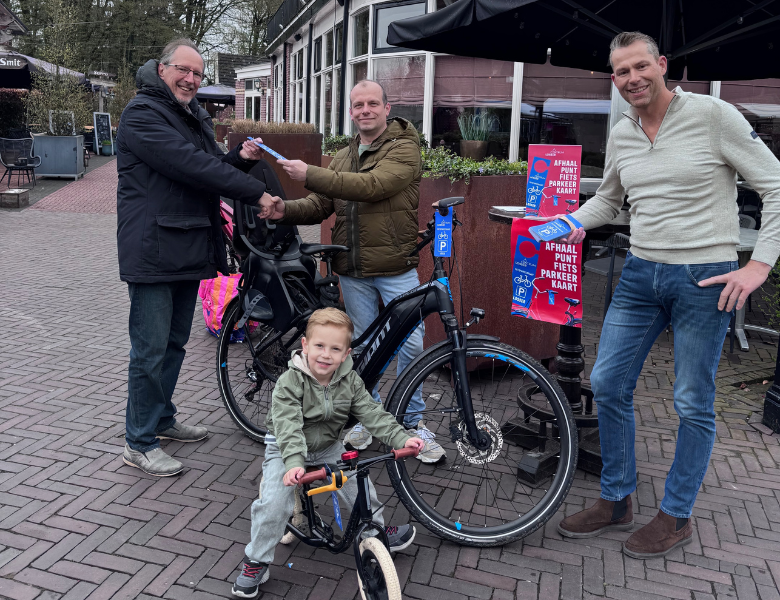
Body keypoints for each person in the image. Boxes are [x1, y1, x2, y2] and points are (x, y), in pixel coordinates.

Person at [554, 31, 780, 558]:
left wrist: (760, 266)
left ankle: (676, 514)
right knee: (608, 383)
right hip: (640, 274)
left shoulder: (713, 115)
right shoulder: (623, 130)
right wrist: (569, 223)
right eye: (621, 72)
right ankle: (617, 499)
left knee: (691, 401)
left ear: (661, 64)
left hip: (706, 279)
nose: (632, 78)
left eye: (640, 67)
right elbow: (609, 200)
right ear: (614, 78)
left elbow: (776, 184)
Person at [257, 79, 445, 463]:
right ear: (350, 112)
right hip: (353, 268)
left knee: (409, 343)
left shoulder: (405, 148)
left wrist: (309, 172)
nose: (365, 111)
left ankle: (412, 421)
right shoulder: (343, 156)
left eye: (372, 103)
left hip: (395, 266)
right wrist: (284, 209)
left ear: (387, 108)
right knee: (363, 348)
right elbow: (321, 204)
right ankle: (368, 417)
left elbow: (372, 186)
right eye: (357, 105)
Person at [116, 38, 275, 477]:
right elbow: (189, 166)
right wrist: (256, 192)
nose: (191, 79)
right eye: (183, 70)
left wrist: (239, 161)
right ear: (162, 69)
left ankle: (161, 420)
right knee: (149, 350)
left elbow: (207, 167)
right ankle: (138, 441)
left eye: (198, 74)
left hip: (184, 245)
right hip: (152, 250)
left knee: (173, 343)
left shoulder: (190, 114)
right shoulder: (144, 114)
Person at [232, 308, 424, 598]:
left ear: (346, 354)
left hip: (328, 446)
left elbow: (372, 413)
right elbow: (288, 426)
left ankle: (376, 533)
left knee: (360, 486)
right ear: (306, 345)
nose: (325, 355)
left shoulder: (350, 381)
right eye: (319, 346)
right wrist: (294, 463)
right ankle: (256, 560)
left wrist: (400, 438)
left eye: (335, 349)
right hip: (285, 447)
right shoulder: (290, 382)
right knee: (272, 504)